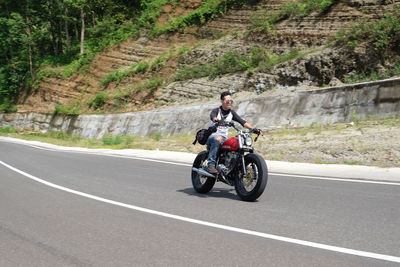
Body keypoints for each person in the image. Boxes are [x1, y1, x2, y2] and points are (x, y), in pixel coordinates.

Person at [205, 91, 261, 174]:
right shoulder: (216, 110)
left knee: (236, 143)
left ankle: (232, 167)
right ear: (222, 101)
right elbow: (212, 116)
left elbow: (243, 122)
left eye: (231, 101)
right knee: (217, 138)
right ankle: (211, 165)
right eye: (227, 101)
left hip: (223, 138)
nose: (229, 102)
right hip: (212, 136)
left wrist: (254, 129)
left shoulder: (232, 113)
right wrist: (217, 120)